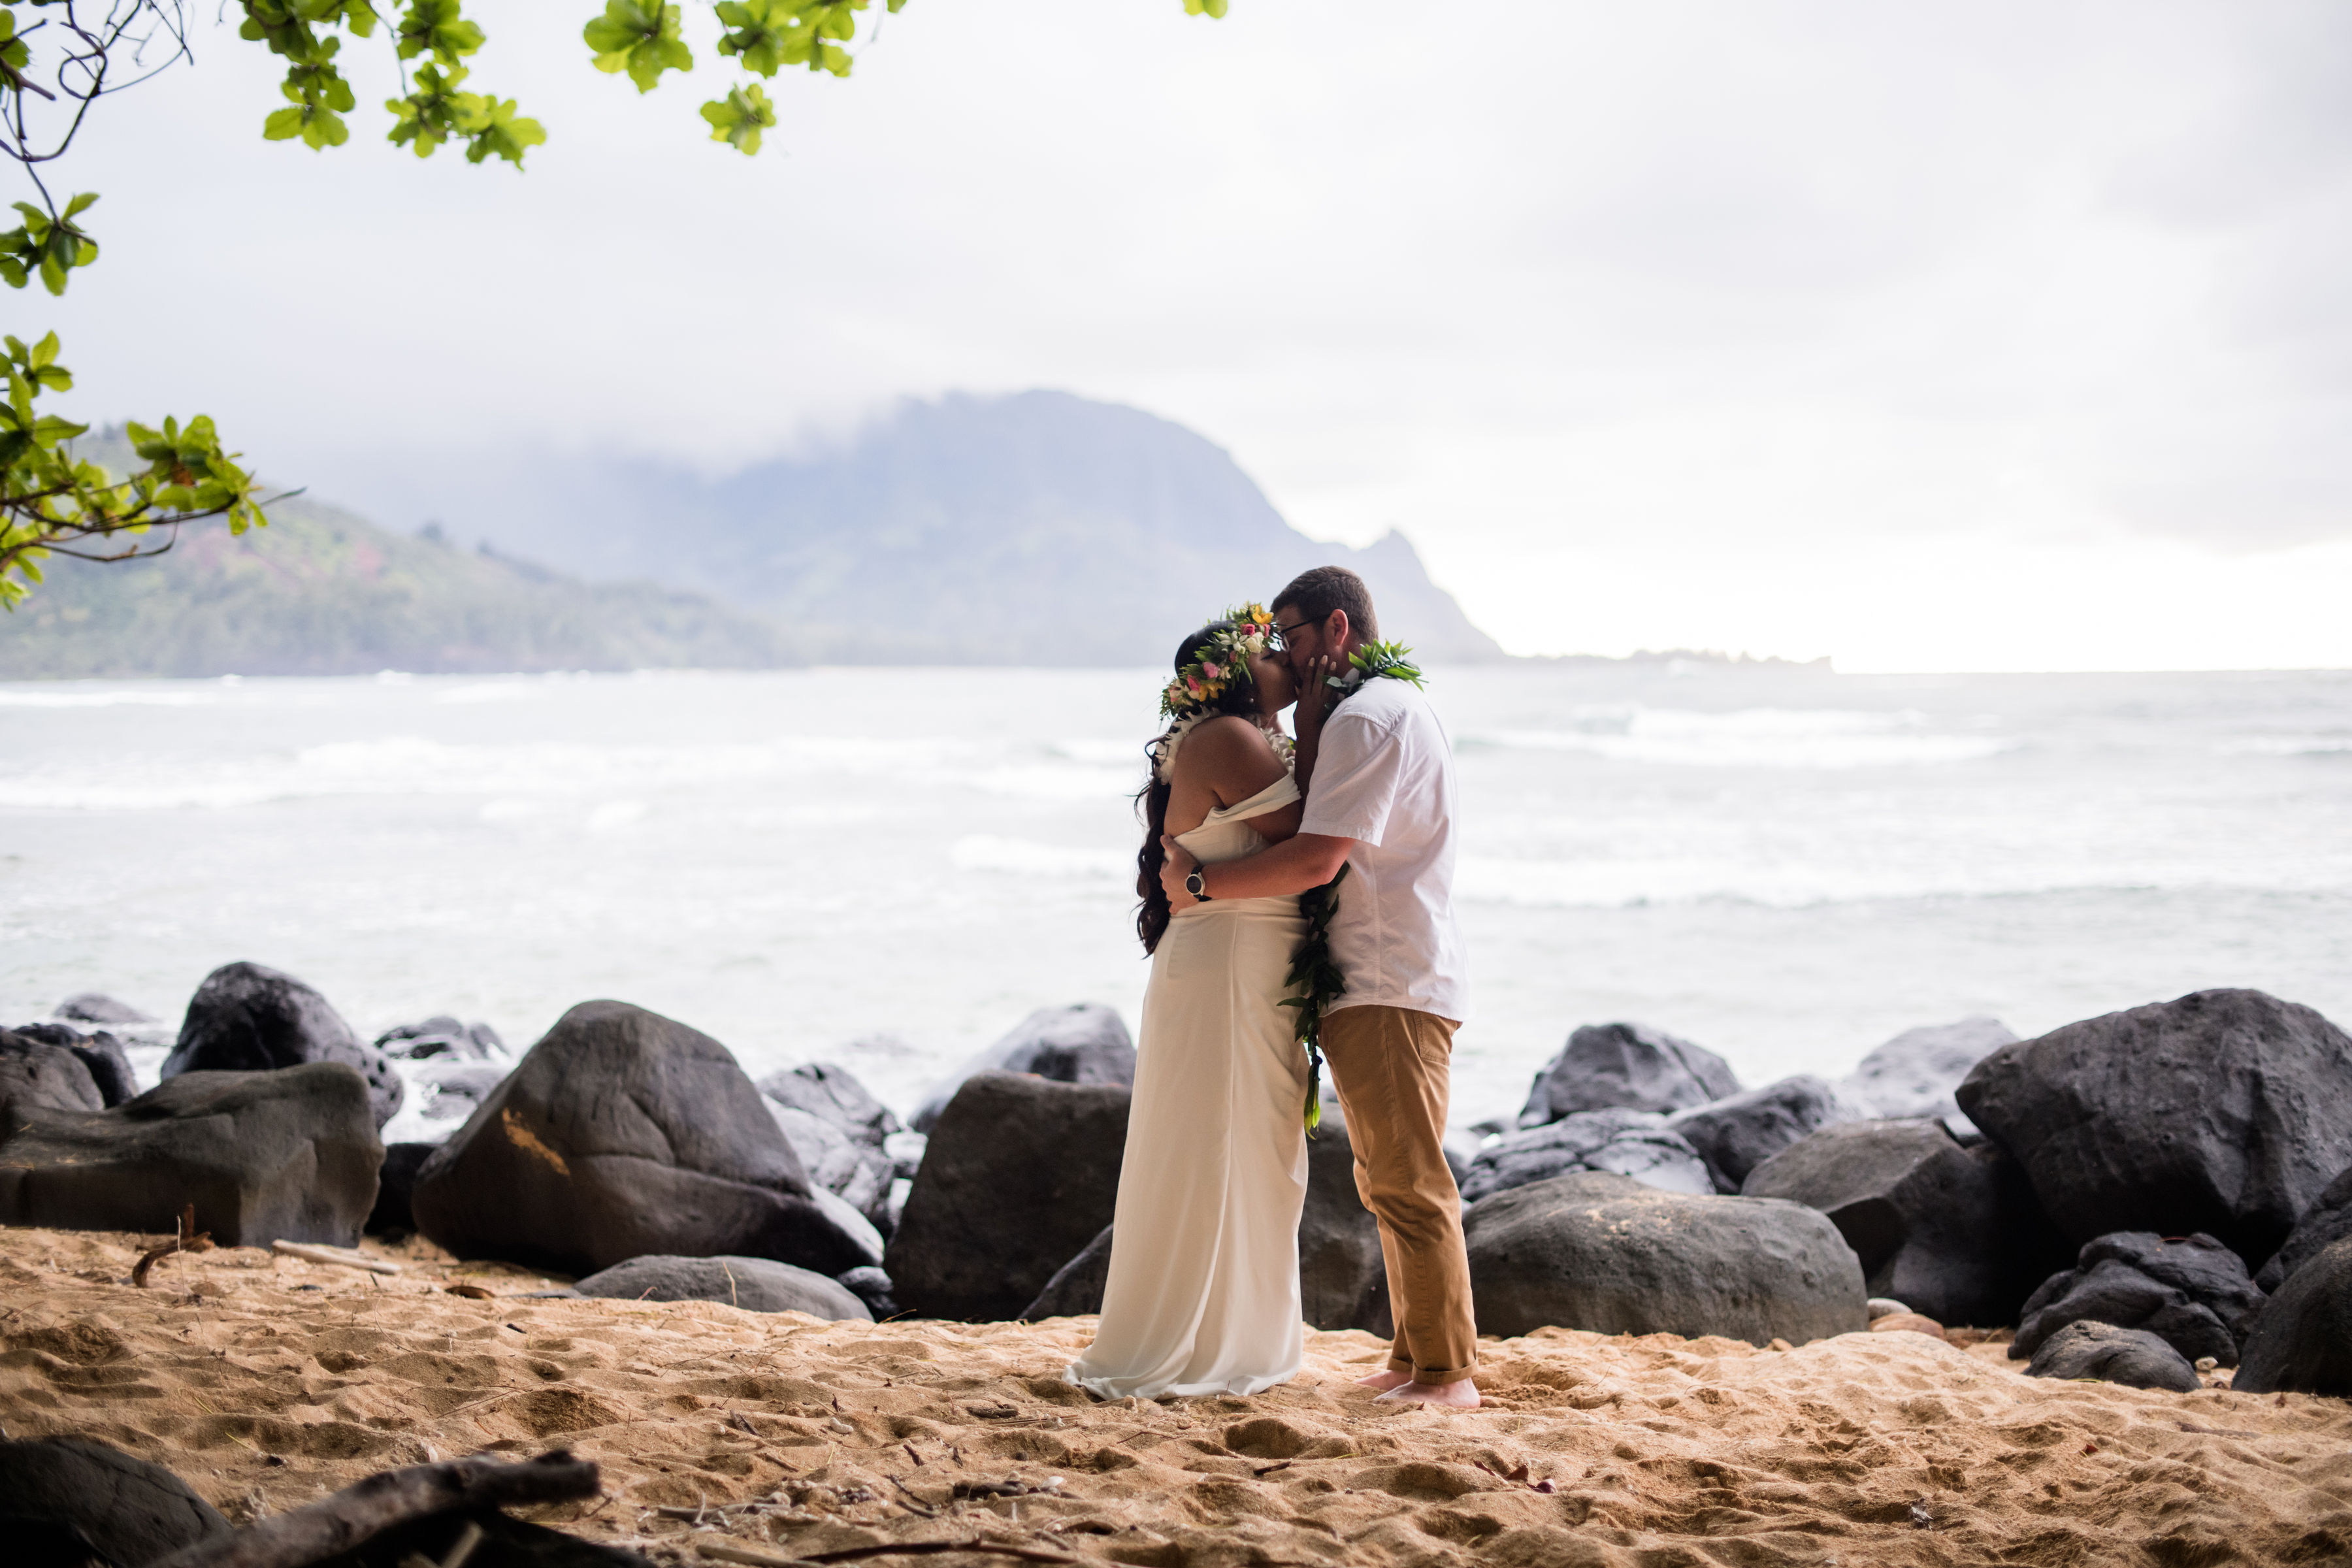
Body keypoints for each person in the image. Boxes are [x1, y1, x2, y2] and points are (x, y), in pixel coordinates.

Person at [1157, 566, 1477, 1408]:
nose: (1285, 658)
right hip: (1386, 971)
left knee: (1407, 1177)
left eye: (1292, 639)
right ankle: (1416, 1358)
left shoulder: (1367, 718)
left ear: (1337, 631)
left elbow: (1314, 857)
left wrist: (1196, 888)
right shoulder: (1371, 711)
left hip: (1385, 975)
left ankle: (1446, 1374)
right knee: (1385, 1175)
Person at [1066, 607, 1313, 1399]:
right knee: (1222, 1143)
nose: (1285, 657)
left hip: (1240, 957)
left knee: (1253, 1146)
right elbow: (1320, 836)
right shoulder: (1228, 740)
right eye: (1269, 648)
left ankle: (1234, 1333)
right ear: (1236, 672)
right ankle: (1201, 1342)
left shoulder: (1237, 737)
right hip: (1229, 961)